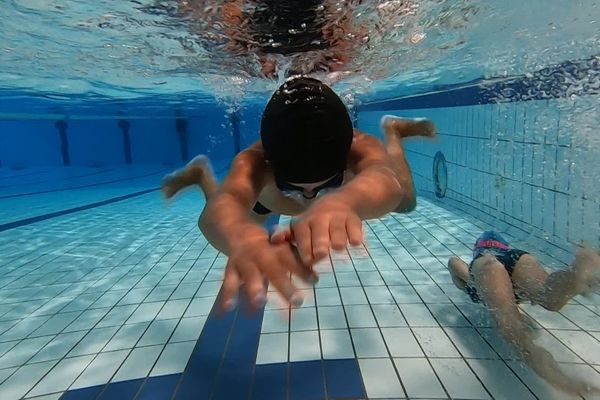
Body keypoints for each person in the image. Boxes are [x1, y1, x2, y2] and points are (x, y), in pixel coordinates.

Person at [162, 76, 435, 311]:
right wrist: (240, 238)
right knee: (237, 219)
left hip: (318, 198)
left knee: (407, 203)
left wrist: (345, 199)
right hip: (266, 203)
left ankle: (394, 131)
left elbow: (385, 179)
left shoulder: (360, 145)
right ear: (270, 164)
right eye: (292, 188)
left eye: (328, 185)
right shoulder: (253, 161)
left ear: (345, 161)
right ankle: (201, 174)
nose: (309, 199)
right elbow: (222, 207)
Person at [447, 230, 600, 396]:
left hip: (488, 266)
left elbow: (453, 262)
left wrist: (480, 285)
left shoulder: (478, 265)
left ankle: (562, 380)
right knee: (548, 296)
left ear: (476, 249)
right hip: (519, 257)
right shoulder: (508, 253)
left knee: (515, 331)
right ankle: (577, 270)